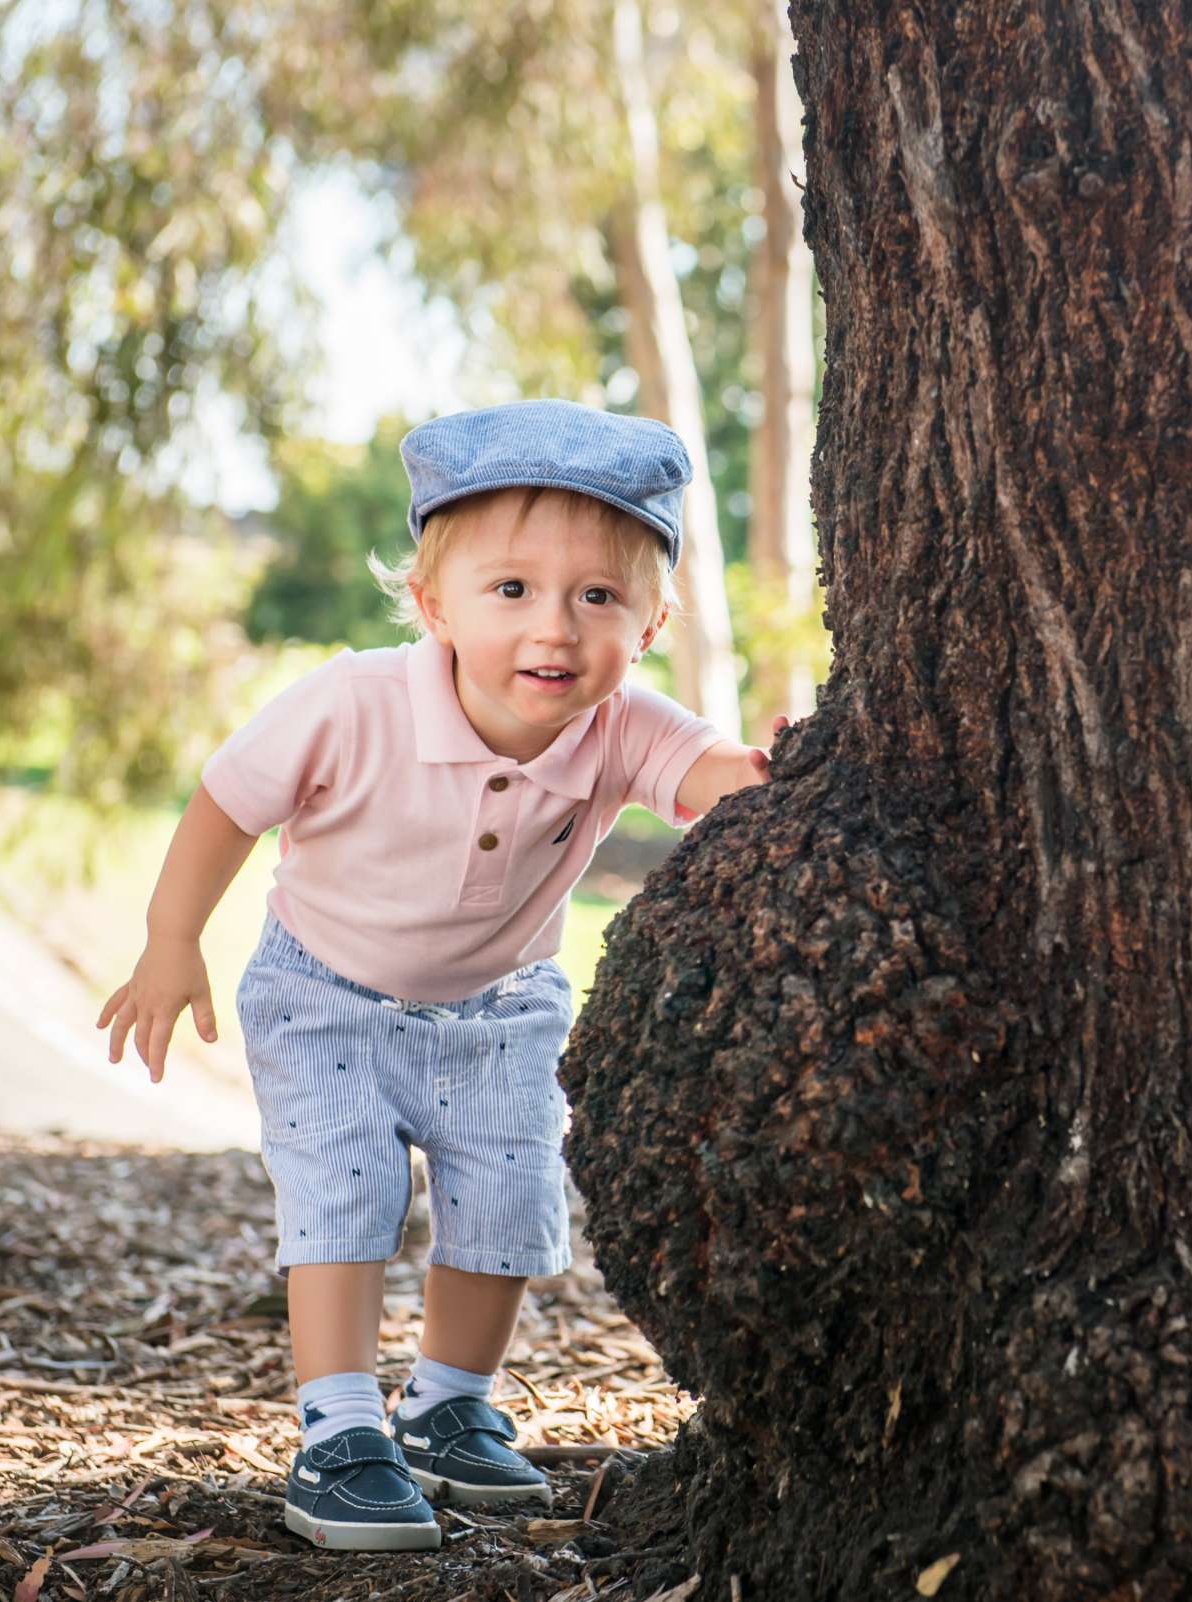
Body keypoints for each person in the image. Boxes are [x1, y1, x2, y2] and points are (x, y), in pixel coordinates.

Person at [95, 400, 776, 1551]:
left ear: (650, 622)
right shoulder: (353, 702)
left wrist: (777, 767)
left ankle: (450, 1406)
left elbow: (708, 776)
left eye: (597, 598)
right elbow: (226, 803)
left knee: (505, 1205)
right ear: (432, 604)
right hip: (325, 995)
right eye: (510, 591)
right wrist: (173, 940)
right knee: (345, 1193)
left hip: (499, 1011)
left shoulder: (619, 725)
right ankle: (339, 1432)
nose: (553, 630)